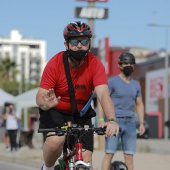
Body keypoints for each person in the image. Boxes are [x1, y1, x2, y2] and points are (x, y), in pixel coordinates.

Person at [36, 21, 119, 170]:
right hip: (56, 111)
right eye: (74, 41)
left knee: (86, 160)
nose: (79, 45)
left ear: (89, 43)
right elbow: (40, 96)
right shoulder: (54, 63)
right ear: (66, 44)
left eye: (84, 41)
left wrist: (112, 119)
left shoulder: (95, 64)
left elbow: (103, 94)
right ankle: (47, 167)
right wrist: (45, 104)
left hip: (82, 114)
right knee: (56, 140)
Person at [98, 52, 146, 170]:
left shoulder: (136, 85)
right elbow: (102, 101)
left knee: (129, 156)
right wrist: (101, 120)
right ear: (119, 65)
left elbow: (139, 104)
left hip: (130, 123)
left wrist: (141, 123)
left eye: (131, 63)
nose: (128, 65)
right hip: (114, 122)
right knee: (109, 154)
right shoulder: (112, 82)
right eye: (125, 63)